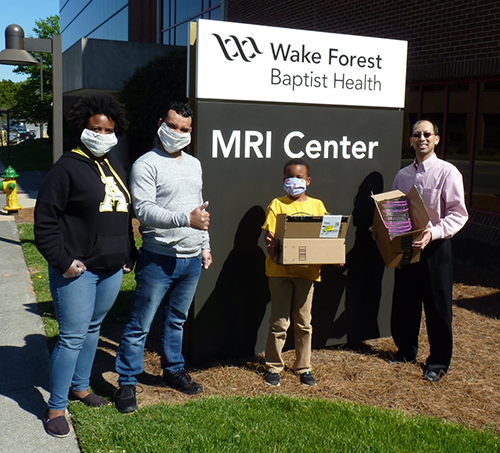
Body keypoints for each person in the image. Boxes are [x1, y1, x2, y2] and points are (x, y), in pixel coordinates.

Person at [34, 95, 137, 437]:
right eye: (96, 128)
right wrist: (63, 262)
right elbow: (45, 222)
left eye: (108, 129)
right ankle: (56, 406)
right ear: (83, 129)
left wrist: (127, 252)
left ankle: (80, 387)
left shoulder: (115, 165)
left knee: (93, 328)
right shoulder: (66, 168)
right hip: (78, 270)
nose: (102, 134)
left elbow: (122, 217)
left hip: (110, 268)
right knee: (73, 336)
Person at [114, 101, 211, 413]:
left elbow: (200, 209)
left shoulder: (194, 164)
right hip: (158, 257)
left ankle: (173, 370)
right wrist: (186, 220)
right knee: (140, 323)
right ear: (160, 123)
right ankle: (127, 381)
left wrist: (205, 243)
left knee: (176, 320)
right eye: (172, 126)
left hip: (192, 257)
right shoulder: (146, 164)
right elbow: (142, 210)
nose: (178, 133)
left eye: (184, 129)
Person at [390, 119, 468, 382]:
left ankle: (437, 362)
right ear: (410, 141)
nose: (421, 138)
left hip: (435, 247)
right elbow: (397, 210)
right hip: (408, 248)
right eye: (416, 135)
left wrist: (432, 233)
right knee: (405, 302)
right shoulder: (402, 175)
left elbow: (458, 214)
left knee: (438, 307)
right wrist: (383, 226)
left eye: (427, 134)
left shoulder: (448, 172)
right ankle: (405, 352)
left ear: (436, 139)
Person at [262, 158, 328, 387]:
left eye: (299, 177)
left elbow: (328, 236)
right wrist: (271, 246)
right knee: (279, 322)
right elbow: (268, 235)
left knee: (303, 323)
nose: (294, 181)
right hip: (279, 272)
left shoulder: (317, 206)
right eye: (290, 177)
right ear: (284, 180)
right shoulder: (277, 204)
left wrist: (334, 254)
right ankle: (273, 366)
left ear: (308, 181)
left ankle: (304, 367)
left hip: (307, 273)